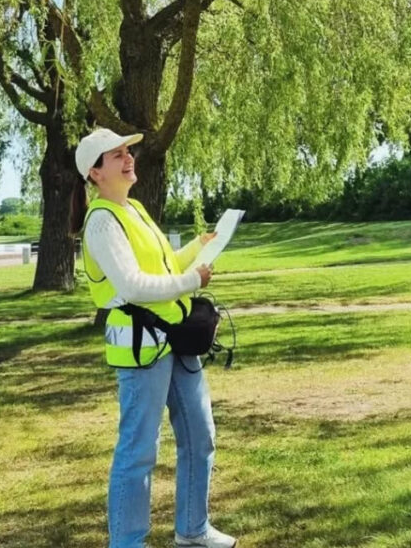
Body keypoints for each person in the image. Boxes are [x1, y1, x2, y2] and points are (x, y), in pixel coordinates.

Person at [69, 127, 237, 548]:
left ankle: (193, 531)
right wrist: (191, 281)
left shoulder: (135, 209)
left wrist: (200, 247)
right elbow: (135, 286)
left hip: (173, 339)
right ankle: (127, 543)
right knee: (139, 451)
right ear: (95, 172)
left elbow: (162, 267)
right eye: (117, 155)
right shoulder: (102, 220)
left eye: (128, 151)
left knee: (200, 435)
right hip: (141, 348)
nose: (129, 159)